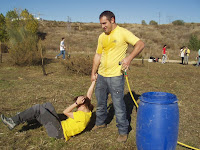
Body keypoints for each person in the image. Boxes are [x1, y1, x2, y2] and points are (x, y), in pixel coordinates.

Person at [91, 10, 144, 143]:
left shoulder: (123, 32)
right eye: (101, 24)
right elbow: (98, 55)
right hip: (102, 75)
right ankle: (100, 122)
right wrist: (93, 72)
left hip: (116, 76)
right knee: (101, 102)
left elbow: (140, 44)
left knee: (118, 105)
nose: (103, 26)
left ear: (112, 20)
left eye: (105, 23)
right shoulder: (101, 36)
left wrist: (129, 58)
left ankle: (123, 131)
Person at [1, 79, 96, 141]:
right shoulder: (87, 111)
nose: (76, 107)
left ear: (82, 105)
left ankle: (13, 121)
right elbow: (89, 94)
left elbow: (65, 112)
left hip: (58, 132)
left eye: (78, 105)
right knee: (47, 105)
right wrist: (94, 81)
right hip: (59, 126)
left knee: (38, 108)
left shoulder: (82, 116)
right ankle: (26, 116)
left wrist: (75, 103)